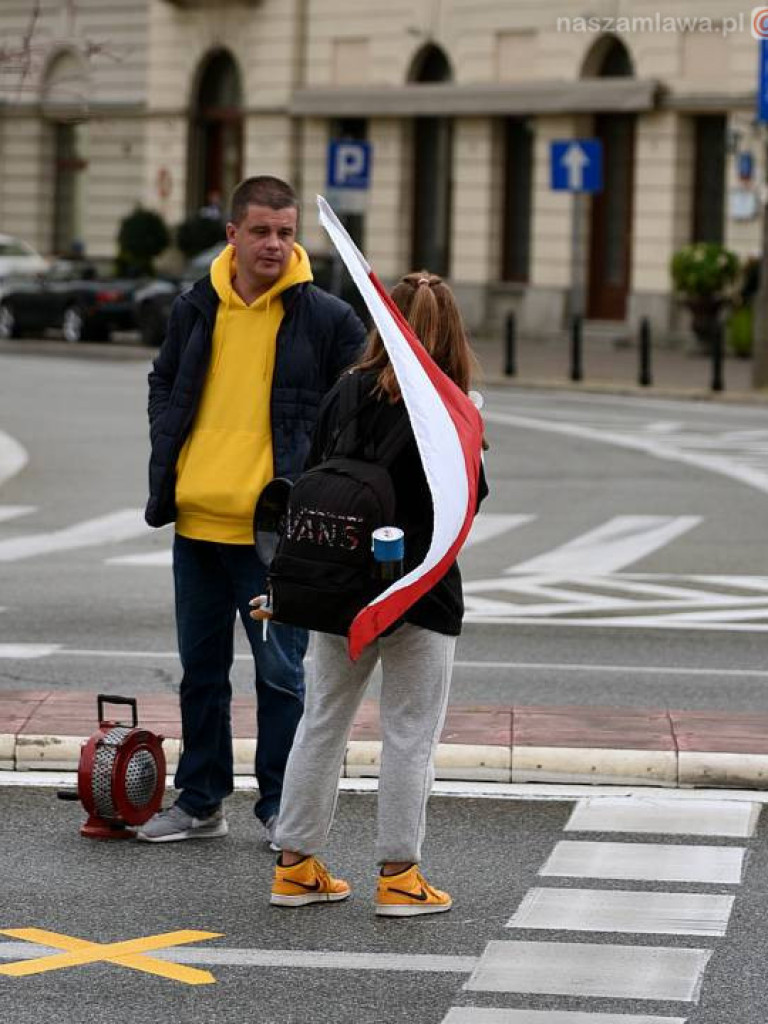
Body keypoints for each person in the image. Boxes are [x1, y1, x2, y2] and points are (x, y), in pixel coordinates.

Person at [138, 175, 367, 844]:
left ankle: (280, 807)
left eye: (286, 232)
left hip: (276, 540)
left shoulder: (328, 317)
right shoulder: (195, 306)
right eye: (261, 230)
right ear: (232, 233)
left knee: (280, 677)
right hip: (197, 526)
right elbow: (163, 382)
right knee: (201, 673)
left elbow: (354, 410)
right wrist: (169, 443)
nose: (274, 244)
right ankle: (200, 800)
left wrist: (316, 489)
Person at [254, 270, 488, 915]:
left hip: (338, 589)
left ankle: (295, 865)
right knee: (410, 733)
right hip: (420, 590)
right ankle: (398, 876)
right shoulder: (453, 405)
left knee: (322, 720)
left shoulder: (345, 391)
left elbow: (312, 476)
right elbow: (470, 499)